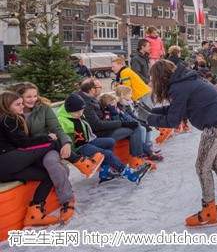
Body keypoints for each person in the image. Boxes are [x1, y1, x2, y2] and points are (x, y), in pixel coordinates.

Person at [147, 60, 217, 227]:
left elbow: (173, 120)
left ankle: (209, 210)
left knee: (202, 167)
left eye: (152, 79)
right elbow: (177, 110)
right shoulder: (183, 80)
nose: (151, 83)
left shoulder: (179, 87)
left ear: (160, 77)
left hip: (215, 123)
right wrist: (152, 112)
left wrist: (148, 118)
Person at [0, 92, 89, 225]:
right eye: (18, 104)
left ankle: (34, 213)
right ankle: (80, 161)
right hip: (6, 161)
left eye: (21, 103)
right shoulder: (7, 119)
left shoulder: (12, 118)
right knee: (52, 143)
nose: (22, 106)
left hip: (7, 171)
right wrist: (47, 138)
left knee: (47, 175)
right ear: (7, 105)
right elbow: (23, 143)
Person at [58, 93, 150, 184]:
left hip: (88, 141)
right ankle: (130, 174)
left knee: (110, 142)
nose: (80, 114)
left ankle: (104, 173)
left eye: (81, 111)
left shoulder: (75, 114)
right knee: (107, 154)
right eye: (77, 112)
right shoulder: (63, 122)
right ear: (69, 110)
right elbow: (65, 140)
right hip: (78, 147)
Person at [98, 93, 155, 170]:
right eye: (111, 103)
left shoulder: (116, 109)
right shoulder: (107, 112)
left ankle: (147, 152)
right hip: (110, 132)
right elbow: (113, 123)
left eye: (114, 101)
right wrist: (115, 114)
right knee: (136, 129)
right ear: (107, 104)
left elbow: (125, 117)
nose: (114, 104)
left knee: (136, 130)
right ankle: (137, 157)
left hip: (118, 128)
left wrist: (129, 122)